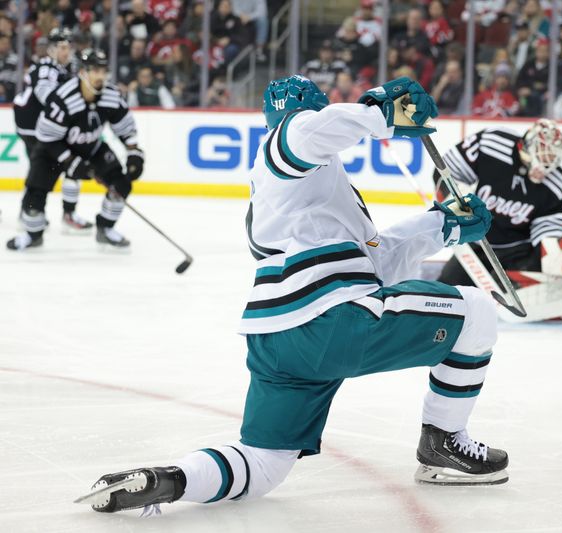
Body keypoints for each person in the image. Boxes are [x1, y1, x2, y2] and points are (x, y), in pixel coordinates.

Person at [77, 75, 509, 514]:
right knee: (475, 310)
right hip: (329, 319)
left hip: (277, 341)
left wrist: (441, 225)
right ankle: (442, 445)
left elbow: (371, 266)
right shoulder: (284, 148)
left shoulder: (305, 188)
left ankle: (169, 480)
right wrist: (379, 113)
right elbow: (308, 131)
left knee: (264, 464)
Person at [433, 120, 562, 326]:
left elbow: (550, 236)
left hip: (519, 254)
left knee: (517, 291)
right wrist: (455, 201)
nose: (546, 165)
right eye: (544, 155)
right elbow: (446, 171)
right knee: (447, 292)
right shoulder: (491, 144)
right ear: (527, 146)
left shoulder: (558, 187)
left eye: (552, 158)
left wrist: (556, 261)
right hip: (476, 244)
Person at [7, 49, 144, 251]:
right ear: (82, 72)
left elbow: (125, 128)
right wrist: (70, 161)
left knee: (121, 184)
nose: (100, 76)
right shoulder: (63, 97)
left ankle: (105, 229)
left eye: (103, 71)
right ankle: (32, 235)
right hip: (51, 152)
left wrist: (134, 153)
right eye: (95, 70)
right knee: (33, 198)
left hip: (91, 147)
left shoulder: (112, 96)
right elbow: (46, 138)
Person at [12, 28, 94, 232]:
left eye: (69, 47)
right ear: (51, 50)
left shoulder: (67, 69)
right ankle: (29, 212)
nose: (67, 51)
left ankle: (65, 213)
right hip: (32, 127)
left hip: (50, 127)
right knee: (40, 171)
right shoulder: (46, 67)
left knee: (70, 165)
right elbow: (46, 97)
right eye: (63, 47)